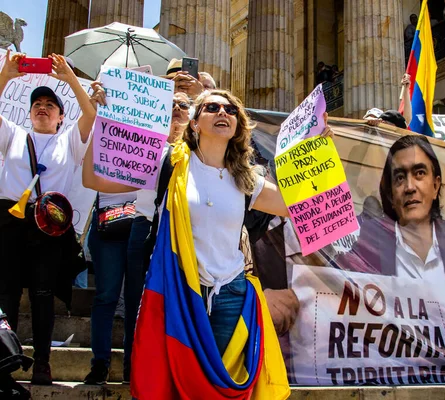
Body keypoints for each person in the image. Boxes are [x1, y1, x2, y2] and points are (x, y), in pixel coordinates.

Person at [83, 89, 333, 396]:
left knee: (216, 387)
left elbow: (294, 203)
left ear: (238, 125)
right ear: (194, 123)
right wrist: (98, 123)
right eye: (212, 107)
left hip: (230, 294)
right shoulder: (168, 163)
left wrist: (318, 148)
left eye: (230, 110)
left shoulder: (247, 179)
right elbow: (95, 180)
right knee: (174, 384)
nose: (222, 112)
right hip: (177, 292)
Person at [334, 135, 445, 374]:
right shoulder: (367, 243)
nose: (410, 186)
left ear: (436, 185)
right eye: (399, 177)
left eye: (419, 173)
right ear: (391, 193)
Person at [0, 51, 99, 385]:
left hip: (48, 226)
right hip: (11, 222)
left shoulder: (69, 139)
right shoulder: (13, 134)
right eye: (37, 104)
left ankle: (42, 361)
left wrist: (69, 78)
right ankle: (5, 361)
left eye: (50, 105)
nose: (43, 107)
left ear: (60, 117)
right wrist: (6, 76)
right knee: (8, 293)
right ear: (30, 114)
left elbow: (90, 113)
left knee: (43, 294)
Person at [83, 91, 193, 385]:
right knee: (137, 305)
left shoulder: (202, 153)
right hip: (144, 230)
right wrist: (102, 122)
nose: (177, 110)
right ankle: (134, 372)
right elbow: (95, 179)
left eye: (184, 105)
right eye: (170, 105)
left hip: (187, 234)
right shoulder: (145, 147)